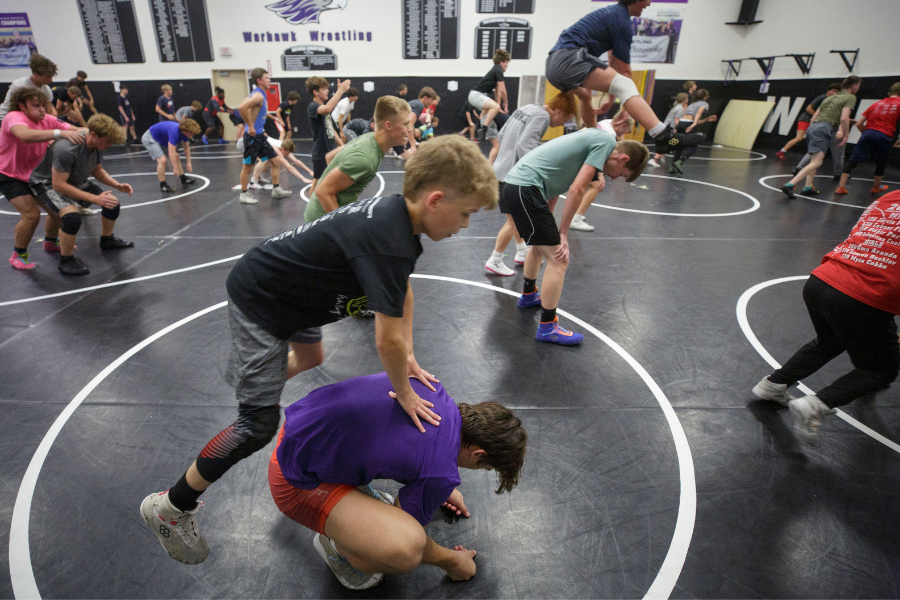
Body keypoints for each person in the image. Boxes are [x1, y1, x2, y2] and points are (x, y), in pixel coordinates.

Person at [139, 136, 499, 565]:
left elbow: (402, 292)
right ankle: (171, 505)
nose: (464, 225)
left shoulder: (399, 225)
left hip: (298, 295)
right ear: (436, 200)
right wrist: (404, 390)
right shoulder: (389, 237)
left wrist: (411, 357)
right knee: (257, 425)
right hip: (264, 299)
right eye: (466, 214)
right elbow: (386, 339)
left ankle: (255, 376)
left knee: (312, 358)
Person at [268, 373, 527, 589]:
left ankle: (351, 509)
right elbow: (408, 534)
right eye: (485, 466)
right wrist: (452, 561)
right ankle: (336, 546)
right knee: (405, 548)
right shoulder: (440, 473)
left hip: (298, 433)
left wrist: (438, 489)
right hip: (293, 482)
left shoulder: (432, 387)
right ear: (478, 454)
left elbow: (408, 440)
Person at [752, 190, 900, 447]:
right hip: (862, 294)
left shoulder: (893, 196)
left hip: (823, 279)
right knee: (880, 369)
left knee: (829, 341)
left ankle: (774, 385)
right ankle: (816, 405)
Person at [503, 128, 649, 344]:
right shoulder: (606, 142)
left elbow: (552, 183)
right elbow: (576, 190)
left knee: (539, 246)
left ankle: (529, 294)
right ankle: (548, 327)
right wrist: (562, 233)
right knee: (559, 259)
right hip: (525, 189)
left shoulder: (589, 148)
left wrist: (552, 226)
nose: (614, 177)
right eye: (622, 173)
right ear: (623, 158)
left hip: (520, 187)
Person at [545, 0, 704, 153]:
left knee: (586, 96)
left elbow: (613, 62)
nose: (649, 4)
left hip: (554, 65)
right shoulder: (622, 21)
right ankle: (663, 136)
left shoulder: (614, 14)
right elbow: (625, 73)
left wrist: (611, 99)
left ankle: (593, 140)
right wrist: (626, 108)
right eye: (647, 0)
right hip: (568, 58)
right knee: (626, 85)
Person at [484, 92, 577, 277]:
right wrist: (537, 172)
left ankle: (521, 253)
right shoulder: (542, 116)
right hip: (512, 176)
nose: (560, 125)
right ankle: (495, 259)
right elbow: (525, 146)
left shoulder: (526, 108)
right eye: (564, 119)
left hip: (501, 170)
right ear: (559, 110)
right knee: (516, 222)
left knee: (515, 221)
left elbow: (502, 135)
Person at [29, 114, 132, 276]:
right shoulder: (67, 148)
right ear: (94, 135)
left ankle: (107, 240)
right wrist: (94, 198)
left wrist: (117, 185)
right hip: (46, 183)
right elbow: (58, 185)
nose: (110, 145)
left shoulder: (97, 145)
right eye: (108, 141)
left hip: (73, 179)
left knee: (112, 203)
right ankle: (66, 260)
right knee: (72, 217)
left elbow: (97, 170)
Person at [1, 87, 84, 270]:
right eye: (36, 106)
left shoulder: (46, 119)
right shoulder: (14, 117)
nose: (42, 110)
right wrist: (58, 133)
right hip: (10, 175)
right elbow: (24, 135)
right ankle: (18, 254)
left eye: (44, 106)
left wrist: (97, 131)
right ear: (22, 106)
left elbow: (77, 129)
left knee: (58, 211)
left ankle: (50, 241)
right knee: (31, 216)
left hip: (35, 175)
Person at [305, 95, 412, 224]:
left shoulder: (368, 139)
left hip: (323, 213)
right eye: (406, 124)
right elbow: (323, 191)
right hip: (319, 221)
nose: (410, 129)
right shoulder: (365, 159)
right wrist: (343, 231)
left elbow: (330, 157)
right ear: (388, 125)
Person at [782, 76, 862, 199]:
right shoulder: (851, 97)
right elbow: (844, 118)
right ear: (854, 86)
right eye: (859, 85)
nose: (858, 88)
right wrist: (845, 135)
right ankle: (790, 184)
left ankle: (808, 187)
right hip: (824, 128)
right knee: (817, 162)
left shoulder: (829, 98)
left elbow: (813, 118)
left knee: (814, 158)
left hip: (813, 127)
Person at [570, 109, 635, 231]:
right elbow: (597, 154)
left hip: (577, 148)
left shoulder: (606, 122)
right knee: (597, 185)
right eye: (625, 131)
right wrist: (599, 174)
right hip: (580, 155)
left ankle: (575, 215)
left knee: (586, 185)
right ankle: (575, 219)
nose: (622, 135)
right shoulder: (610, 135)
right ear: (623, 125)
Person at [835, 82, 900, 196]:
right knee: (881, 162)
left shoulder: (876, 104)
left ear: (890, 93)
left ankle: (840, 187)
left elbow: (859, 123)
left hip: (868, 133)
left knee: (853, 160)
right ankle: (876, 187)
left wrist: (866, 133)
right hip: (884, 135)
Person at [306, 76, 352, 196]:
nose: (327, 91)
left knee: (334, 180)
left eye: (327, 88)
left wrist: (342, 146)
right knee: (317, 183)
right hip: (321, 152)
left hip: (330, 150)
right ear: (315, 92)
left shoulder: (326, 113)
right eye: (324, 89)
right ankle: (311, 212)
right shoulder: (313, 107)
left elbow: (331, 129)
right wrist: (340, 91)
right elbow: (327, 109)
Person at [776, 83, 841, 161]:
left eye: (837, 92)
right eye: (833, 91)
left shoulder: (831, 100)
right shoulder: (822, 98)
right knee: (799, 137)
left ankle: (813, 156)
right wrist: (817, 116)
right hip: (806, 119)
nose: (835, 93)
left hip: (815, 121)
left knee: (815, 138)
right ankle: (781, 151)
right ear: (828, 91)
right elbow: (808, 108)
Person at [142, 119, 200, 193]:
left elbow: (186, 147)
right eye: (191, 133)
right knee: (162, 160)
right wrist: (174, 167)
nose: (192, 135)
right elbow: (171, 152)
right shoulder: (175, 132)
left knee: (176, 157)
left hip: (160, 137)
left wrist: (189, 162)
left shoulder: (184, 133)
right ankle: (163, 185)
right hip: (150, 138)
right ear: (185, 130)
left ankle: (183, 178)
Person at [669, 89, 717, 175]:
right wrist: (693, 124)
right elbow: (698, 113)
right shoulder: (704, 104)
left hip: (682, 123)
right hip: (689, 124)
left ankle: (673, 167)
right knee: (692, 145)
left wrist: (706, 120)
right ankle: (680, 161)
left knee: (680, 145)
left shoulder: (692, 104)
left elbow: (691, 118)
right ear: (705, 97)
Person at [0, 53, 57, 121]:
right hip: (7, 118)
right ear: (36, 74)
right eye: (48, 77)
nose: (51, 80)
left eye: (51, 76)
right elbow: (17, 112)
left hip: (30, 119)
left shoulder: (46, 89)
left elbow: (49, 112)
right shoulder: (20, 85)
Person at [241, 136, 313, 188]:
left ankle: (259, 177)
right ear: (282, 149)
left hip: (254, 142)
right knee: (266, 159)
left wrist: (310, 171)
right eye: (287, 153)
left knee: (271, 160)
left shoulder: (284, 145)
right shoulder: (277, 150)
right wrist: (303, 179)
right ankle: (253, 182)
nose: (287, 155)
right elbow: (289, 167)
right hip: (245, 143)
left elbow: (296, 161)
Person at [468, 49, 509, 138]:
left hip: (478, 95)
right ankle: (484, 128)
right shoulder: (498, 70)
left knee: (490, 109)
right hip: (476, 95)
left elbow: (498, 92)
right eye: (506, 63)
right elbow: (502, 89)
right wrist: (505, 103)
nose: (507, 66)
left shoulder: (496, 70)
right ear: (502, 62)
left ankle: (478, 125)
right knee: (494, 107)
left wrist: (499, 107)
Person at [647, 92, 688, 168]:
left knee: (669, 144)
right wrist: (677, 129)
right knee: (670, 145)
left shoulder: (676, 106)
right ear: (684, 100)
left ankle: (661, 156)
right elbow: (677, 121)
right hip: (670, 128)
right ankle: (654, 159)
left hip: (667, 127)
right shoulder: (680, 108)